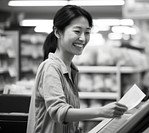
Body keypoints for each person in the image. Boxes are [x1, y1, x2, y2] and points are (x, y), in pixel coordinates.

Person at [26, 5, 128, 133]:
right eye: (77, 31)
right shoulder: (50, 67)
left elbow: (66, 119)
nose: (83, 38)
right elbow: (59, 111)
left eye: (87, 32)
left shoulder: (71, 70)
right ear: (58, 32)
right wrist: (101, 111)